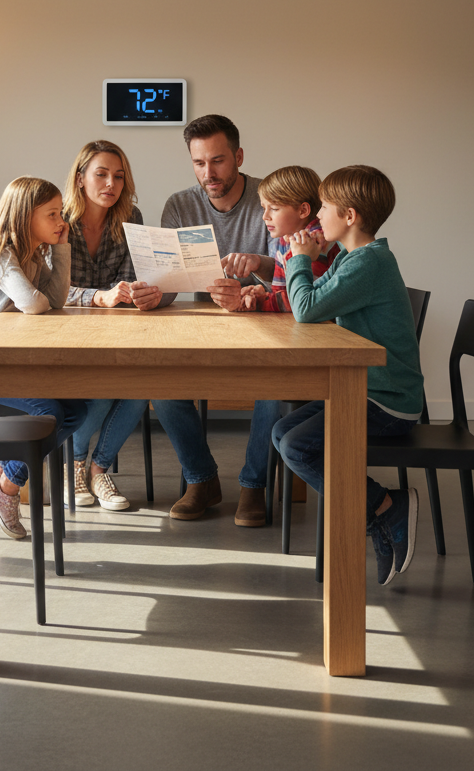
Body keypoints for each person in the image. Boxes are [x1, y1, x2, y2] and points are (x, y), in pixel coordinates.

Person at [271, 165, 424, 584]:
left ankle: (384, 510)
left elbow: (305, 310)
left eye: (324, 207)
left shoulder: (367, 263)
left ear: (350, 216)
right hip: (372, 391)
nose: (317, 215)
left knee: (299, 448)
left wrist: (299, 258)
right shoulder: (355, 259)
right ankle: (381, 509)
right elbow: (317, 301)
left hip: (387, 403)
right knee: (282, 434)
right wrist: (316, 259)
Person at [152, 113, 276, 521]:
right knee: (160, 381)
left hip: (268, 321)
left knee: (278, 385)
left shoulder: (269, 198)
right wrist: (152, 291)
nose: (209, 172)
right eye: (199, 163)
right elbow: (169, 282)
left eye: (219, 160)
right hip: (202, 323)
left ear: (238, 156)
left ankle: (254, 487)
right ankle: (201, 479)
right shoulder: (180, 204)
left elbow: (299, 267)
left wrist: (257, 270)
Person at [0, 176, 88, 541]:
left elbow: (56, 301)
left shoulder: (31, 255)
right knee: (52, 412)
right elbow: (34, 304)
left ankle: (0, 470)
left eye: (60, 212)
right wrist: (39, 299)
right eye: (51, 214)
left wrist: (61, 249)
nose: (61, 221)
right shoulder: (1, 254)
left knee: (79, 408)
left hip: (4, 358)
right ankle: (7, 485)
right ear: (24, 217)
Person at [220, 165, 336, 527]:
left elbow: (298, 305)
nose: (265, 217)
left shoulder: (311, 244)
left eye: (273, 208)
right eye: (263, 207)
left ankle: (253, 485)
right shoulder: (295, 240)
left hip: (322, 357)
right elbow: (288, 294)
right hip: (307, 343)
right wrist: (262, 293)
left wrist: (252, 300)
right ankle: (250, 484)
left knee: (270, 386)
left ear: (302, 210)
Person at [61, 140, 162, 511]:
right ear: (80, 177)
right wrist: (97, 297)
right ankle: (72, 463)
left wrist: (138, 291)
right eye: (101, 174)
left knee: (143, 383)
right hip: (61, 334)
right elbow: (49, 288)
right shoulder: (60, 220)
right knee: (103, 388)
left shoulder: (130, 218)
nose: (111, 184)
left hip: (114, 329)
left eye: (118, 177)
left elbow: (132, 276)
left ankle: (97, 469)